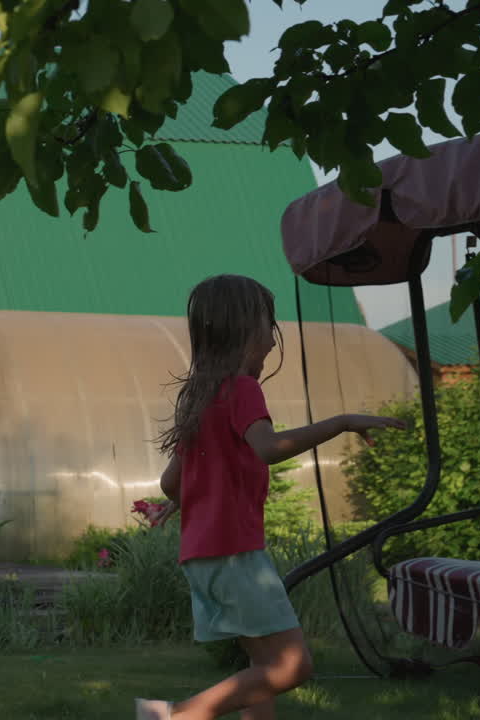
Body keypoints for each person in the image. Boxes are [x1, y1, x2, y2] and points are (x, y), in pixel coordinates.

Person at [136, 275, 405, 720]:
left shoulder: (201, 396)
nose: (272, 339)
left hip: (203, 556)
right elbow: (269, 447)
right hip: (235, 553)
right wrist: (339, 422)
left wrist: (183, 502)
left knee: (263, 668)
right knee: (292, 665)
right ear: (247, 331)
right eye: (269, 326)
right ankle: (177, 716)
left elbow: (171, 482)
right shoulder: (241, 389)